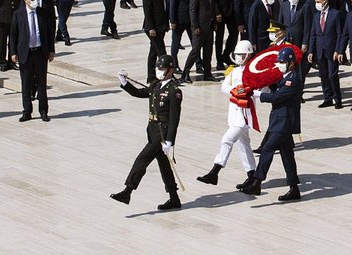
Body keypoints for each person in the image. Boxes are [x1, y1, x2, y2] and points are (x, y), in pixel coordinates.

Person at [111, 54, 184, 211]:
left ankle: (127, 191)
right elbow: (140, 93)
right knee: (164, 166)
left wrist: (170, 140)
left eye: (162, 68)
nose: (158, 71)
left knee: (141, 160)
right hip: (152, 131)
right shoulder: (156, 85)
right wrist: (125, 83)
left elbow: (174, 119)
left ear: (170, 70)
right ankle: (174, 198)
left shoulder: (174, 91)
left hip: (161, 134)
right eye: (158, 68)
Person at [238, 47, 303, 202]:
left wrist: (256, 94)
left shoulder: (293, 79)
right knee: (287, 156)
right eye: (279, 61)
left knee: (267, 148)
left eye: (283, 62)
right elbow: (275, 89)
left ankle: (257, 181)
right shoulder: (285, 76)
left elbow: (278, 97)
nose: (280, 64)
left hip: (285, 122)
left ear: (291, 63)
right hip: (279, 121)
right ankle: (294, 188)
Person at [196, 40, 258, 187]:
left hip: (244, 115)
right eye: (237, 54)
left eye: (242, 55)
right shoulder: (234, 71)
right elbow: (224, 87)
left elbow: (258, 90)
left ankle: (214, 172)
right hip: (234, 114)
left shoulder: (253, 71)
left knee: (227, 140)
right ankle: (252, 175)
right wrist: (234, 90)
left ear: (248, 55)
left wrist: (247, 91)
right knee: (243, 146)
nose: (238, 57)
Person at [10, 0, 54, 122]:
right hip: (26, 53)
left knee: (41, 83)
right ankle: (27, 111)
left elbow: (49, 33)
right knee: (26, 84)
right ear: (25, 0)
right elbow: (13, 35)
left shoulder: (42, 13)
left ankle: (43, 111)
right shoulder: (19, 14)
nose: (35, 1)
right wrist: (13, 52)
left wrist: (51, 50)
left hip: (40, 52)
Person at [142, 0, 170, 82]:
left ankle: (151, 76)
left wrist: (166, 23)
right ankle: (168, 75)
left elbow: (163, 8)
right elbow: (147, 12)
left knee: (153, 51)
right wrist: (151, 28)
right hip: (153, 28)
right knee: (161, 52)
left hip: (161, 26)